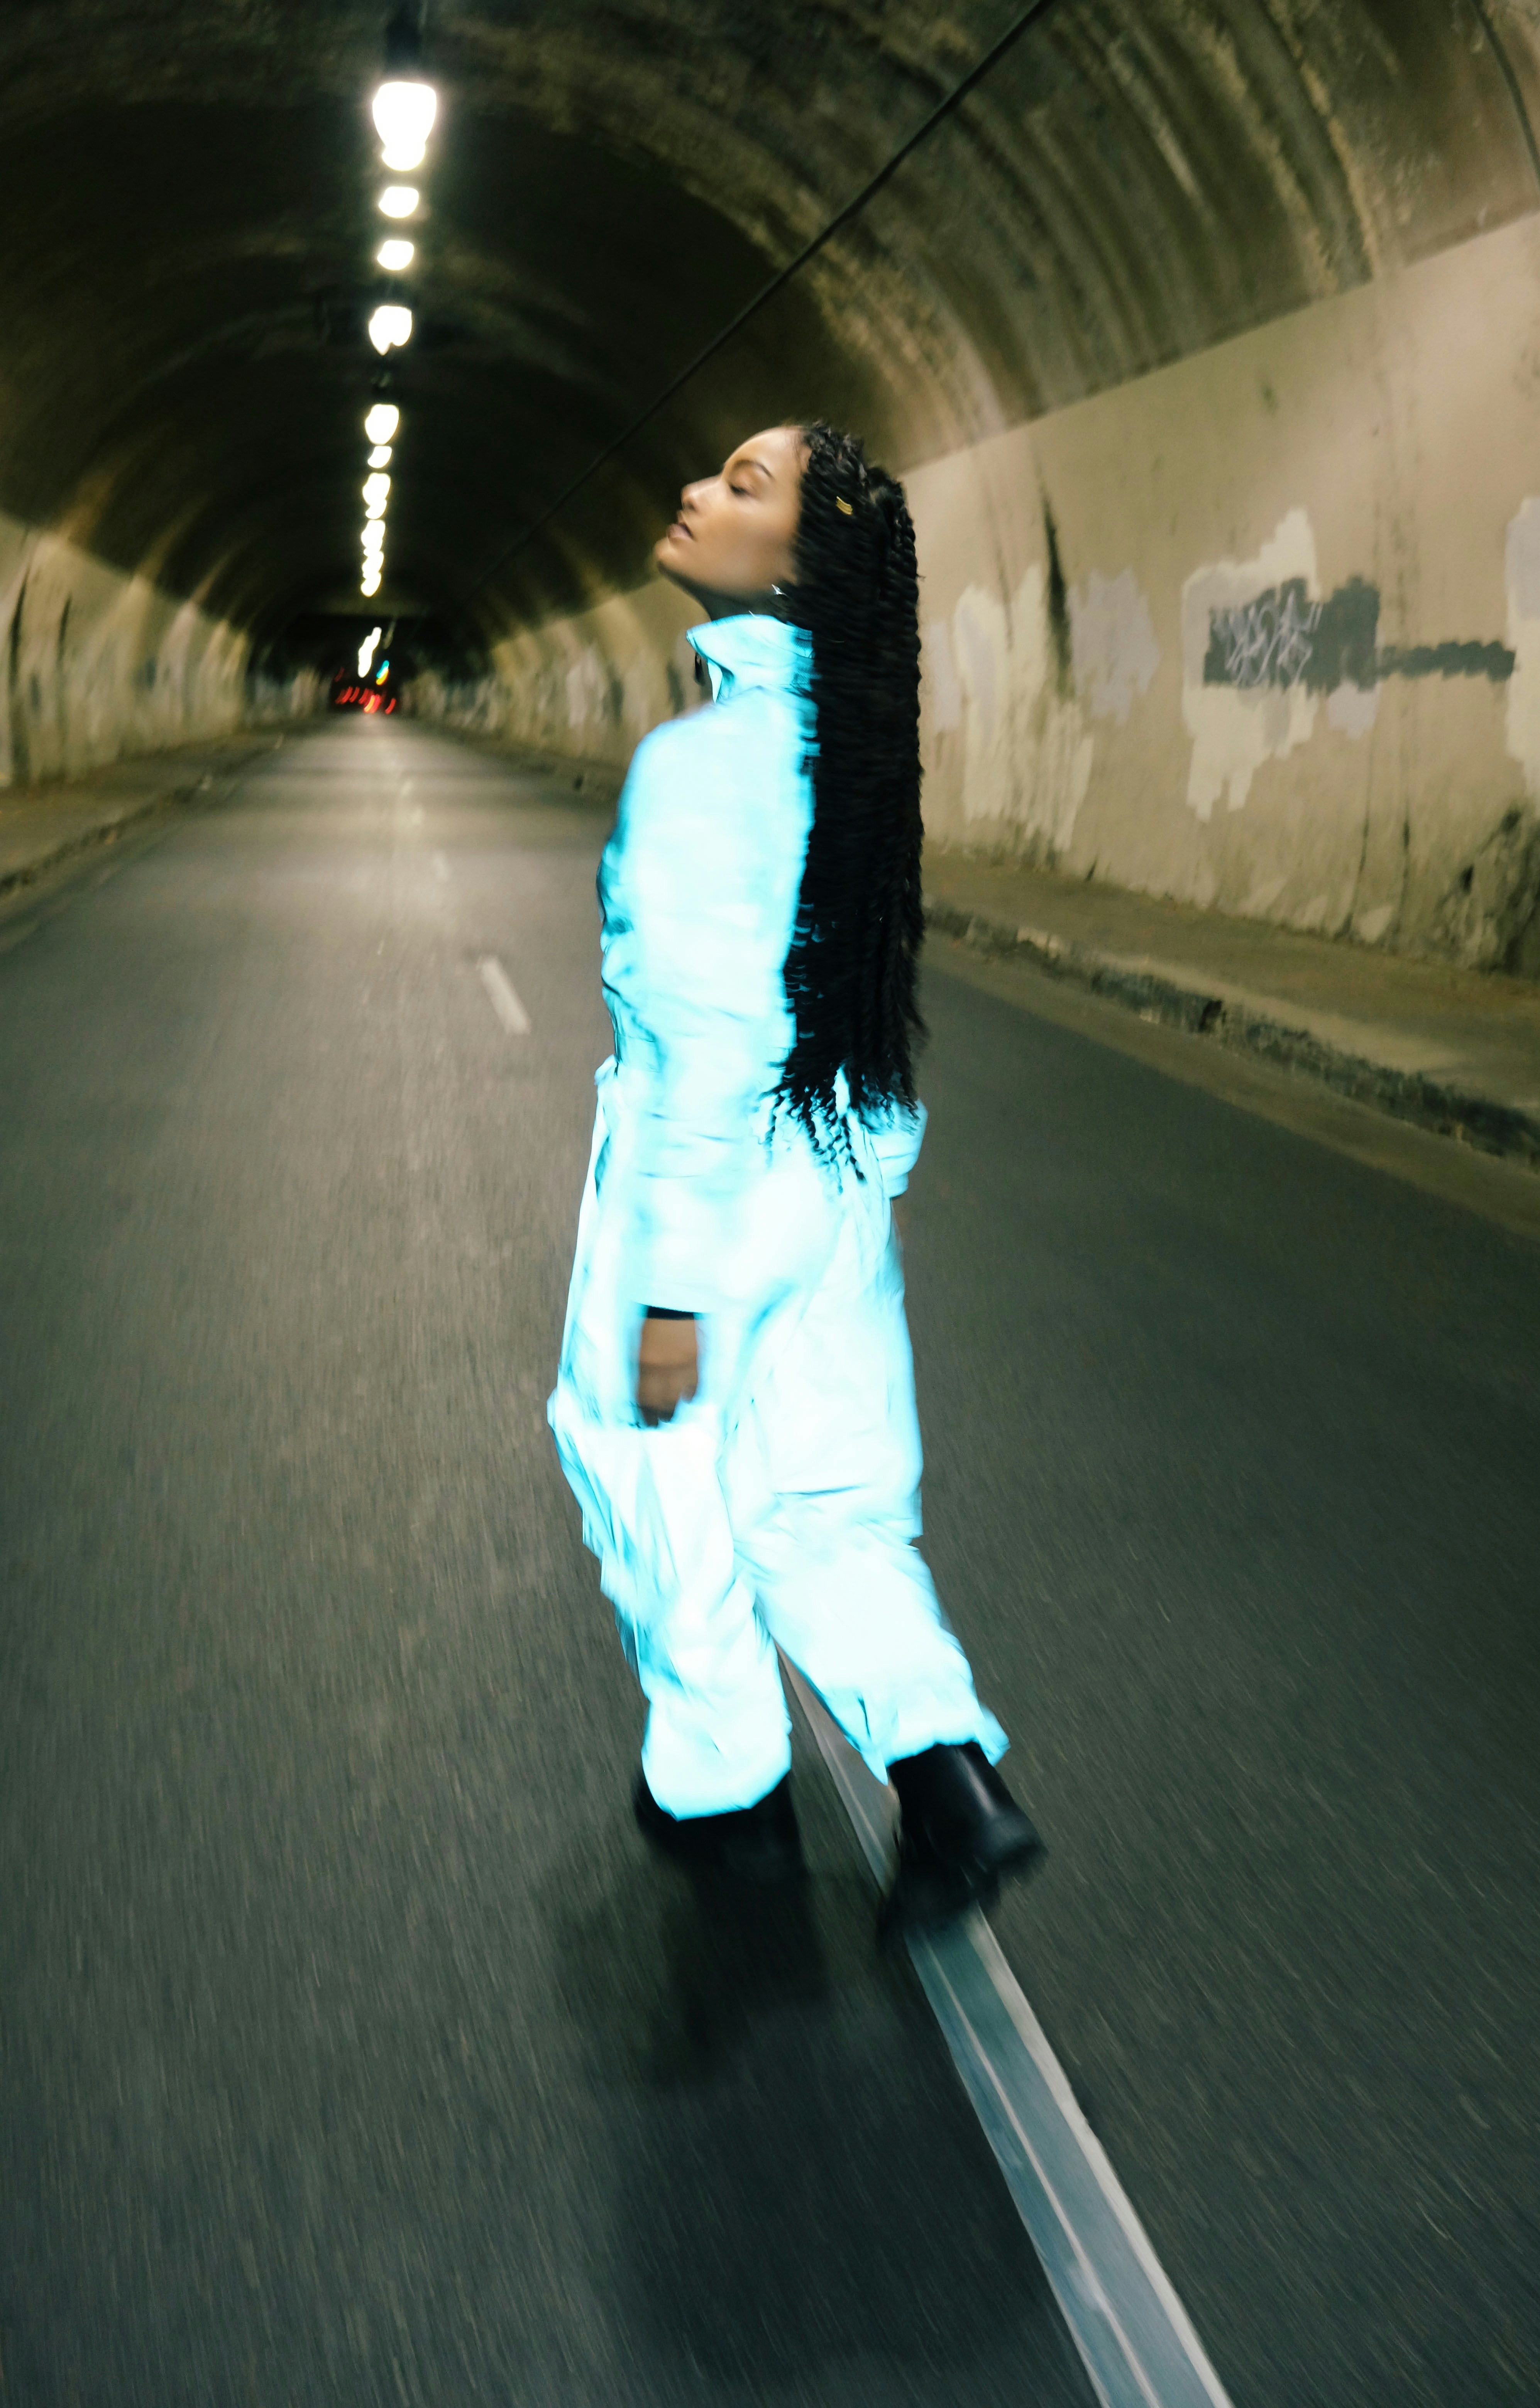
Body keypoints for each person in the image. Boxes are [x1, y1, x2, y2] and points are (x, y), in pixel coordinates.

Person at [548, 420, 1042, 1938]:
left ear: (802, 564)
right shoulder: (854, 750)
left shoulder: (699, 765)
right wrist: (850, 1189)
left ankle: (726, 1798)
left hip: (703, 1189)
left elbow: (704, 1037)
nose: (694, 490)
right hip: (833, 1187)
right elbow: (849, 1004)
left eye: (741, 487)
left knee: (651, 1475)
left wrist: (674, 1289)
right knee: (823, 1511)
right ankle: (949, 1784)